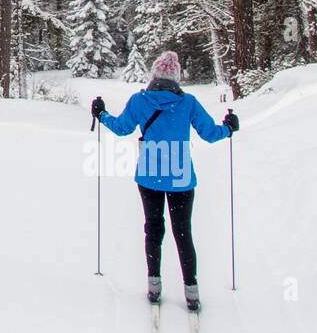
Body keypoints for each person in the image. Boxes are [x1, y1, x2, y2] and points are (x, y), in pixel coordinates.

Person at [90, 51, 237, 312]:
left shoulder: (139, 101)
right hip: (181, 178)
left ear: (154, 76)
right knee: (184, 234)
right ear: (176, 78)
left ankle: (154, 286)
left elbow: (122, 128)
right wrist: (229, 128)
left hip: (149, 177)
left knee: (153, 230)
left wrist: (101, 115)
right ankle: (191, 292)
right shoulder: (188, 103)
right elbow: (210, 134)